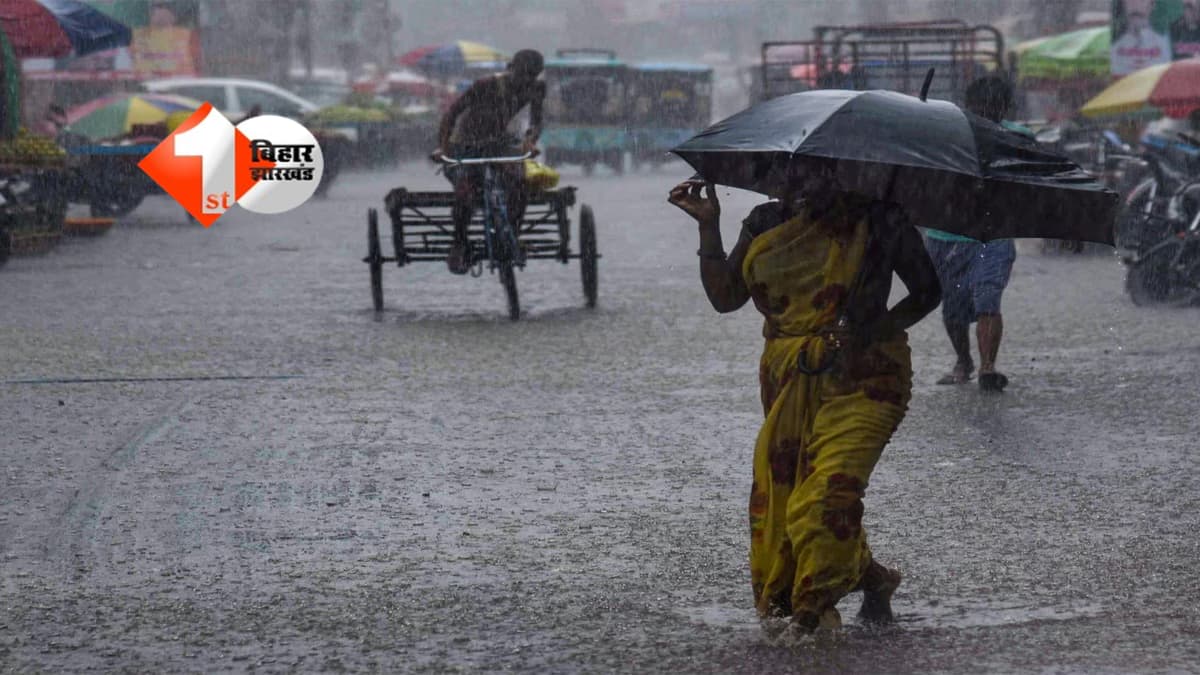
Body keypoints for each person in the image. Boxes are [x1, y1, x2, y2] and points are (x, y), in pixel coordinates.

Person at [667, 159, 941, 634]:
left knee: (827, 495)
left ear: (842, 173)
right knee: (796, 491)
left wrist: (871, 329)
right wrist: (708, 227)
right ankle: (873, 579)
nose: (802, 185)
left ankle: (812, 613)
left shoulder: (880, 219)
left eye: (816, 174)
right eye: (791, 175)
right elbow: (725, 296)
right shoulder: (766, 223)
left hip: (868, 378)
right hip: (791, 378)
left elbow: (927, 292)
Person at [924, 77, 1022, 393]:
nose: (988, 112)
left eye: (995, 107)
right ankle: (963, 360)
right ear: (971, 106)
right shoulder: (945, 136)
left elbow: (1037, 185)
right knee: (954, 308)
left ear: (1005, 109)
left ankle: (988, 366)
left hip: (994, 236)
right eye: (983, 106)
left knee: (988, 298)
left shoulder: (1017, 139)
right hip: (947, 235)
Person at [431, 49, 545, 274]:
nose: (524, 80)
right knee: (465, 192)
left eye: (530, 76)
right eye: (521, 74)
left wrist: (530, 140)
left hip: (499, 146)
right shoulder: (485, 85)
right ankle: (460, 243)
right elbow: (451, 115)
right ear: (510, 68)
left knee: (520, 184)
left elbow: (536, 122)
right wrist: (443, 148)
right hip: (464, 147)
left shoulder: (537, 89)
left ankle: (513, 235)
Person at [1112, 0, 1172, 75]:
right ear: (1123, 4)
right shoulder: (1114, 48)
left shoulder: (1166, 46)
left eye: (1142, 0)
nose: (1135, 5)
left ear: (1152, 4)